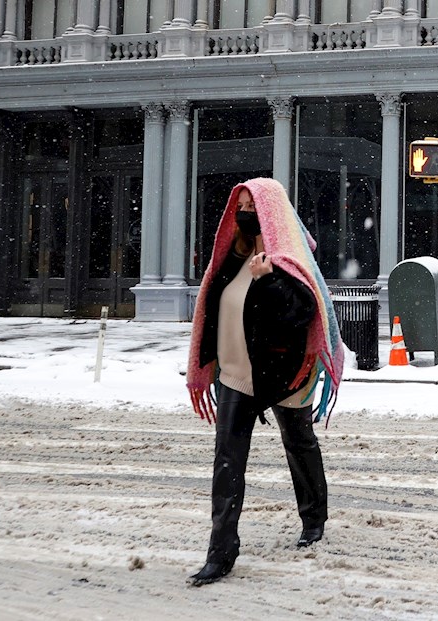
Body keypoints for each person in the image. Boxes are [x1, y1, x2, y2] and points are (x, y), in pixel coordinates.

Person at [185, 177, 344, 587]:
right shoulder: (231, 259)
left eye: (253, 207)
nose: (245, 214)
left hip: (281, 374)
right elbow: (212, 312)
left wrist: (269, 279)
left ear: (270, 211)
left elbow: (303, 312)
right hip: (236, 375)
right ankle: (221, 551)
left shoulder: (288, 261)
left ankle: (313, 518)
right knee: (227, 461)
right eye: (240, 206)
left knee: (299, 441)